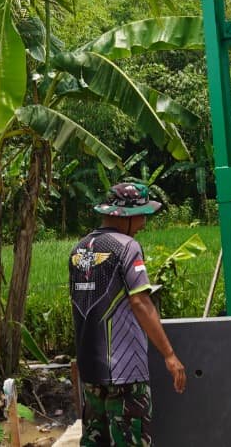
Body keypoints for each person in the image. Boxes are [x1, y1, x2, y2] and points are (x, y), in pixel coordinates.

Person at [70, 182, 186, 447]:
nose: (143, 223)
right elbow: (140, 302)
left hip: (91, 370)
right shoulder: (127, 246)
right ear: (128, 216)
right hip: (125, 372)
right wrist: (169, 355)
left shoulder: (79, 249)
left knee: (95, 441)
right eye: (142, 215)